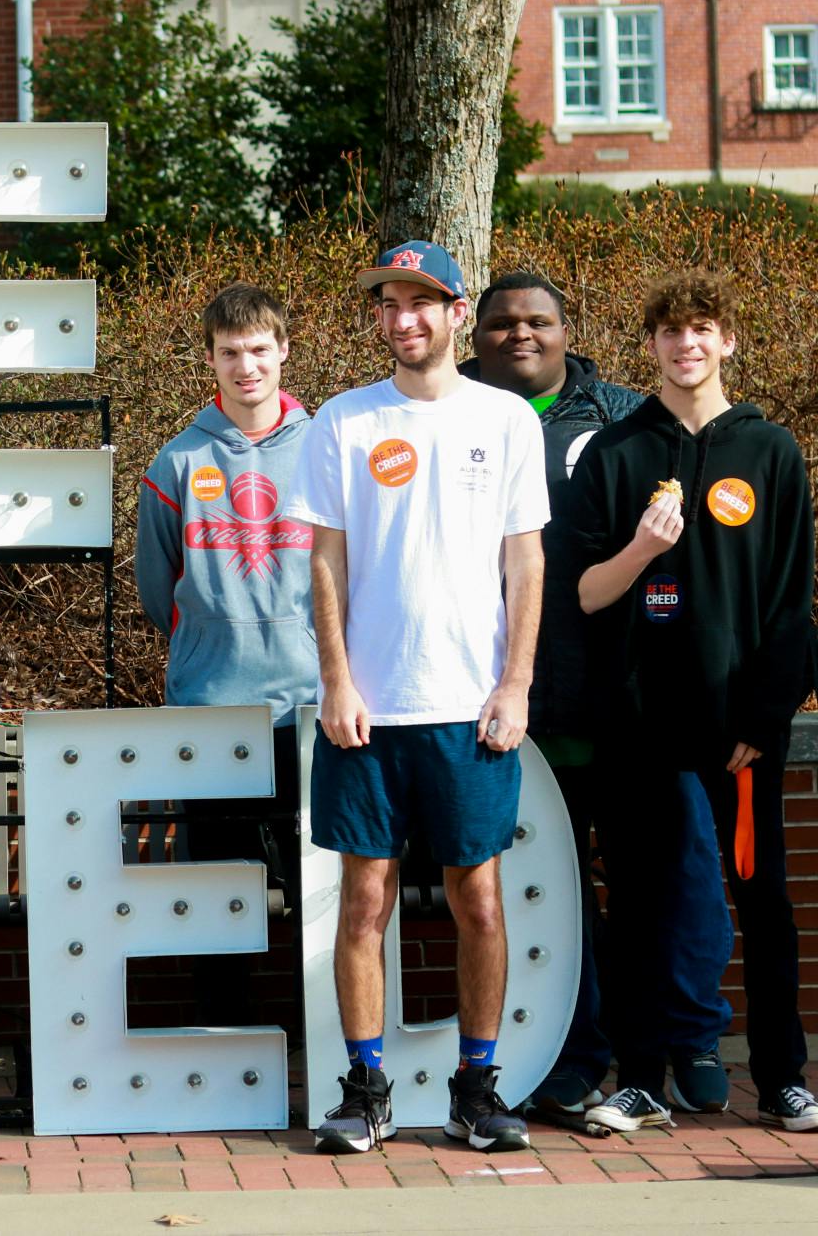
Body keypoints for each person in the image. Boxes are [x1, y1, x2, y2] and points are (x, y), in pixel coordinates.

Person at [286, 241, 549, 1154]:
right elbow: (326, 560)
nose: (404, 319)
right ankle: (366, 1091)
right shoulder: (344, 421)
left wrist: (515, 682)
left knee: (480, 901)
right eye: (390, 304)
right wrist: (336, 679)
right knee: (364, 903)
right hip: (369, 711)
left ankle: (476, 1089)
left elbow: (526, 561)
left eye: (422, 302)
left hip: (470, 707)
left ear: (455, 312)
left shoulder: (506, 419)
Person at [462, 273, 736, 1123]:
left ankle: (691, 1038)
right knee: (555, 888)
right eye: (502, 323)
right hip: (515, 703)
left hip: (630, 698)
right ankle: (575, 1052)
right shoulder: (452, 419)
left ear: (565, 329)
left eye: (538, 320)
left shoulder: (622, 417)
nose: (520, 334)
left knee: (680, 868)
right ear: (476, 336)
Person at [564, 270, 817, 1134]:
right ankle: (639, 1076)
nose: (686, 345)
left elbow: (791, 602)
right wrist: (641, 547)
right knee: (639, 899)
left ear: (728, 340)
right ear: (650, 346)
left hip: (739, 727)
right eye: (671, 332)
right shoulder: (615, 453)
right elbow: (585, 593)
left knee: (763, 897)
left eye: (702, 329)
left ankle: (782, 1076)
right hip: (639, 722)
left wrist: (765, 717)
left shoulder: (771, 451)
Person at [134, 282, 314, 1022]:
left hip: (313, 708)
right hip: (212, 708)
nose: (247, 366)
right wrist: (211, 643)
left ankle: (322, 1037)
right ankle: (224, 1031)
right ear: (209, 359)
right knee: (217, 888)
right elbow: (159, 590)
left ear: (284, 351)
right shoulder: (177, 462)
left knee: (319, 887)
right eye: (230, 352)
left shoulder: (326, 451)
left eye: (260, 350)